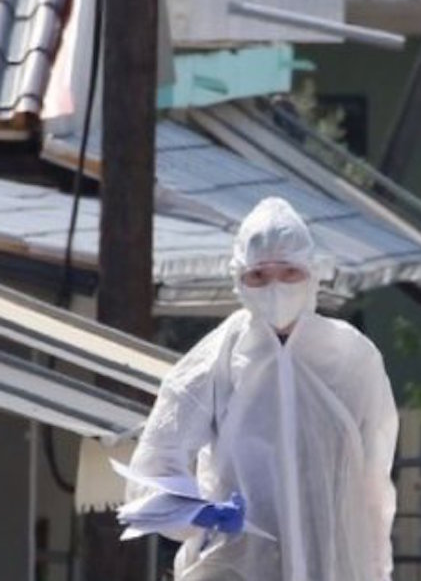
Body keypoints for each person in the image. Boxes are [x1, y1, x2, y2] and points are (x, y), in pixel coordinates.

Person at [124, 197, 399, 581]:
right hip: (236, 566)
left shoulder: (352, 358)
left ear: (312, 274)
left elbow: (374, 482)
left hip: (332, 565)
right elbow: (152, 466)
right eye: (259, 276)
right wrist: (196, 512)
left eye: (289, 272)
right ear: (238, 278)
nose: (275, 287)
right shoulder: (216, 359)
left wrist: (375, 568)